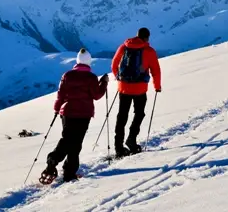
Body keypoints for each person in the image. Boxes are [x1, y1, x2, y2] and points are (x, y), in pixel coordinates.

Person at [40, 48, 108, 184]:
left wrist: (57, 108)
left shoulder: (67, 75)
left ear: (77, 61)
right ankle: (68, 171)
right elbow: (96, 95)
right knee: (76, 143)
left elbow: (60, 94)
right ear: (88, 62)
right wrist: (104, 83)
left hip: (67, 113)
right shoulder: (91, 78)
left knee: (67, 138)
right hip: (83, 114)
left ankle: (54, 161)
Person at [111, 27, 161, 157]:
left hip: (123, 87)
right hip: (140, 89)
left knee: (122, 116)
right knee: (139, 113)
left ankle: (118, 146)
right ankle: (131, 140)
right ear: (147, 37)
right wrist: (157, 86)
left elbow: (114, 63)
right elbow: (156, 70)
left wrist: (118, 77)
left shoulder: (124, 47)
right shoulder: (149, 51)